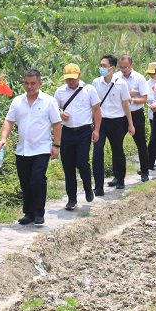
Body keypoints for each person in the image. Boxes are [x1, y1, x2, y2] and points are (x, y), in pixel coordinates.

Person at [0, 70, 62, 225]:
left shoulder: (48, 101)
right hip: (22, 149)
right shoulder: (18, 101)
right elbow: (9, 121)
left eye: (33, 83)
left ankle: (39, 212)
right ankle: (29, 213)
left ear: (39, 83)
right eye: (26, 83)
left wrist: (56, 145)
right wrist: (3, 138)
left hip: (41, 148)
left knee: (37, 179)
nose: (29, 86)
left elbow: (57, 123)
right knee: (25, 181)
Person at [54, 63, 101, 210]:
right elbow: (54, 108)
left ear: (79, 76)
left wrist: (97, 130)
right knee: (68, 166)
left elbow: (97, 111)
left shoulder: (89, 90)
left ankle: (88, 187)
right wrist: (60, 113)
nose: (71, 82)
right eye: (68, 79)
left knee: (82, 162)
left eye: (73, 79)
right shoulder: (60, 92)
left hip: (84, 131)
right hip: (67, 132)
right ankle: (71, 199)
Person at [92, 54, 135, 195]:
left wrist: (130, 124)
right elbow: (93, 105)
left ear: (112, 68)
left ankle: (120, 179)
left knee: (117, 150)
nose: (101, 68)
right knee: (97, 152)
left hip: (117, 121)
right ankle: (99, 186)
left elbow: (126, 105)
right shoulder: (96, 83)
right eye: (100, 65)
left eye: (104, 66)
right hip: (101, 122)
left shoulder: (121, 84)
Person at [113, 54, 150, 182]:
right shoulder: (116, 78)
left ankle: (144, 171)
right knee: (116, 145)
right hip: (120, 115)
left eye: (126, 67)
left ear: (132, 65)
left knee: (140, 143)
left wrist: (131, 100)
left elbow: (144, 99)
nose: (124, 70)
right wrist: (127, 94)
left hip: (136, 114)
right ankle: (117, 175)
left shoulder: (139, 78)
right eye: (122, 67)